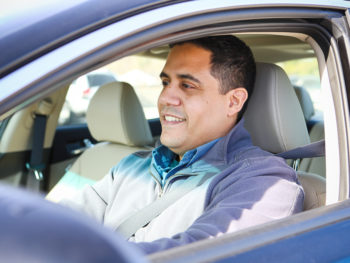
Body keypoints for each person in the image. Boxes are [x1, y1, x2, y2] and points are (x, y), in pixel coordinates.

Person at [61, 35, 304, 254]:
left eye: (187, 85)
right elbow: (62, 221)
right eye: (166, 82)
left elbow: (201, 255)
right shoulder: (131, 167)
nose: (165, 98)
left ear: (233, 102)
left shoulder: (265, 182)